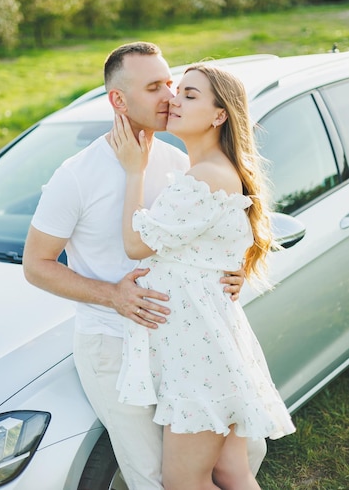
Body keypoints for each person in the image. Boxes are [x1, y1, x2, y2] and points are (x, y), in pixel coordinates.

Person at [23, 42, 267, 490]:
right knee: (156, 478)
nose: (170, 96)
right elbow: (36, 265)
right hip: (115, 346)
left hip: (182, 344)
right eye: (155, 87)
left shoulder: (181, 161)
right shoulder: (77, 175)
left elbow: (218, 228)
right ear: (119, 100)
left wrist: (233, 270)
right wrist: (113, 294)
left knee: (233, 461)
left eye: (172, 84)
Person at [109, 63, 296, 490]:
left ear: (219, 115)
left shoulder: (205, 177)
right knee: (232, 472)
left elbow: (136, 245)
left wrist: (134, 171)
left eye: (190, 95)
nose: (175, 99)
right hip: (208, 343)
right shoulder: (213, 171)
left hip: (197, 355)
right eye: (178, 91)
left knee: (182, 482)